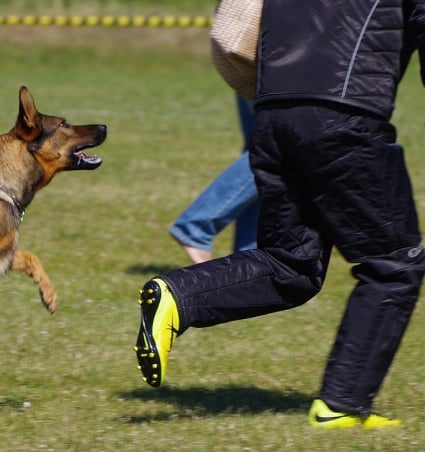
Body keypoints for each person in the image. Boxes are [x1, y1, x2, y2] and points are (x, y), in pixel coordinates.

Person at [135, 0, 425, 429]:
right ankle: (341, 405)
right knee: (395, 263)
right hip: (345, 115)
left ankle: (178, 296)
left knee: (292, 262)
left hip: (273, 116)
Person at [169, 95, 258, 264]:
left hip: (256, 72)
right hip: (287, 76)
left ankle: (247, 260)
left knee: (262, 146)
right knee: (275, 149)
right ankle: (196, 227)